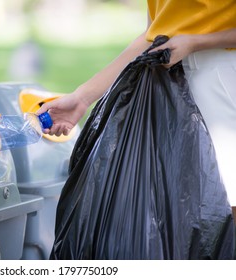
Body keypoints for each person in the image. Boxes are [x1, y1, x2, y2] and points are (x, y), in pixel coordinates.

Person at [37, 1, 236, 225]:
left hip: (222, 81)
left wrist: (197, 42)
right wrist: (82, 97)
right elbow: (151, 36)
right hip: (168, 86)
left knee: (225, 205)